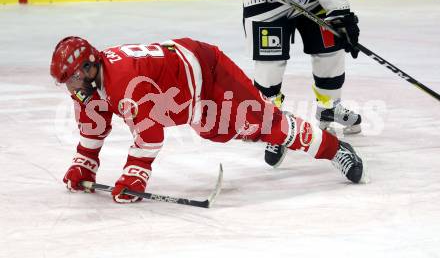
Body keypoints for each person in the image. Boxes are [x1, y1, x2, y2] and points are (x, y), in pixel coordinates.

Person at [50, 36, 366, 203]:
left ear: (90, 69)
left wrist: (136, 176)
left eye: (73, 80)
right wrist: (85, 163)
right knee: (217, 131)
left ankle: (335, 149)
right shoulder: (92, 85)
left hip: (209, 71)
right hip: (188, 96)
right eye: (67, 81)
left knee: (266, 123)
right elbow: (94, 123)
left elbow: (149, 136)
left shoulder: (124, 83)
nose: (71, 88)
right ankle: (267, 126)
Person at [239, 0, 362, 167]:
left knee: (330, 49)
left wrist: (340, 13)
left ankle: (329, 107)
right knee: (270, 62)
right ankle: (272, 122)